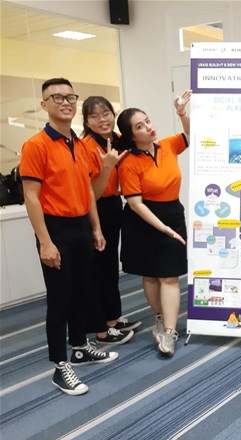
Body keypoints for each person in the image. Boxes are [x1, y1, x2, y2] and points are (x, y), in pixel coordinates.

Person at [20, 78, 118, 396]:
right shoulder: (36, 145)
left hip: (81, 227)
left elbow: (87, 189)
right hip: (55, 229)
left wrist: (96, 228)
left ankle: (79, 347)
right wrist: (45, 242)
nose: (65, 102)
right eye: (57, 97)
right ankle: (60, 365)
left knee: (81, 292)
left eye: (70, 97)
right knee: (60, 299)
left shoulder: (78, 143)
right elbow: (31, 197)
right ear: (44, 104)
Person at [116, 89, 191, 357]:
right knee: (150, 274)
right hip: (143, 219)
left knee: (169, 275)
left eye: (147, 121)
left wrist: (181, 113)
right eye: (140, 126)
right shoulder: (128, 163)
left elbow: (191, 135)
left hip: (172, 213)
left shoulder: (168, 145)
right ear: (131, 135)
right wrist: (163, 228)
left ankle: (169, 331)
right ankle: (159, 317)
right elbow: (135, 204)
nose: (148, 127)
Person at [81, 96, 142, 344]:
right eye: (94, 116)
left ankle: (113, 318)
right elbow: (91, 193)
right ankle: (102, 325)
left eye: (106, 113)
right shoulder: (86, 146)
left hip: (114, 205)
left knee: (109, 266)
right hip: (95, 208)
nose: (102, 119)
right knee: (99, 268)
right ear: (86, 121)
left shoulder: (116, 139)